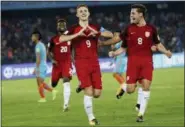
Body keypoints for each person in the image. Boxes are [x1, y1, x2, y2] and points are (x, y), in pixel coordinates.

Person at [99, 4, 172, 122]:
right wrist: (114, 53)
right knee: (130, 89)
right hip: (133, 63)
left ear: (140, 14)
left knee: (146, 86)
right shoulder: (129, 29)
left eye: (133, 13)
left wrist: (166, 52)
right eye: (131, 13)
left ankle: (140, 115)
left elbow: (158, 44)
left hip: (147, 62)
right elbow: (122, 47)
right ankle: (125, 87)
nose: (131, 15)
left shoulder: (151, 28)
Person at [59, 4, 113, 125]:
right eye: (80, 11)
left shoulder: (95, 27)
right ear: (77, 14)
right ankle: (91, 118)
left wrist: (97, 32)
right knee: (88, 91)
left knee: (97, 93)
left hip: (94, 62)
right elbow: (62, 38)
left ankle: (82, 85)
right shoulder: (73, 28)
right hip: (81, 62)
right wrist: (77, 35)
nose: (83, 13)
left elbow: (110, 34)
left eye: (85, 11)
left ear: (88, 13)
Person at [47, 19, 72, 111]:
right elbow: (48, 51)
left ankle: (65, 105)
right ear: (57, 27)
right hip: (57, 64)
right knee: (53, 84)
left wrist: (73, 59)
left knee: (66, 81)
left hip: (67, 63)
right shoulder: (53, 39)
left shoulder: (70, 37)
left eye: (63, 24)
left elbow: (73, 49)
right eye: (60, 24)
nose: (61, 25)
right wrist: (52, 60)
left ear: (65, 26)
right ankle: (52, 80)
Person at [32, 30, 57, 103]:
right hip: (44, 65)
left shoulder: (37, 46)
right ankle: (53, 91)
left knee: (40, 83)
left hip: (41, 66)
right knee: (40, 83)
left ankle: (43, 98)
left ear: (36, 37)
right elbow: (45, 55)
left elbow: (38, 59)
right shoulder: (42, 45)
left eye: (33, 36)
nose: (31, 38)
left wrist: (36, 68)